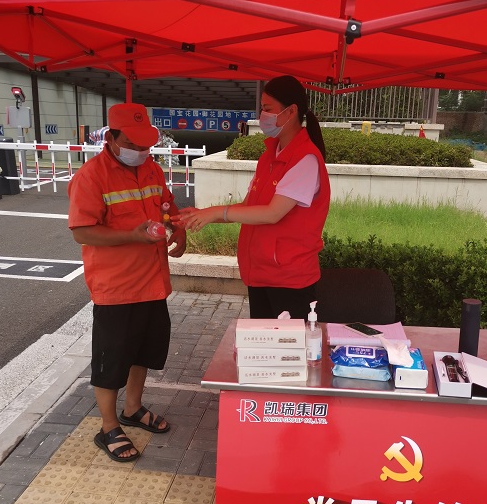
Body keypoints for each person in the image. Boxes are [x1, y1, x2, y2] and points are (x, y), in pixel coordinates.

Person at [68, 103, 186, 462]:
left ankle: (132, 408)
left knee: (143, 352)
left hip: (152, 281)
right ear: (112, 138)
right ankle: (108, 427)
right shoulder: (92, 176)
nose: (140, 151)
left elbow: (166, 206)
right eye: (132, 144)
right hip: (116, 287)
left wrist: (179, 228)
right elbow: (82, 232)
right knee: (111, 361)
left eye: (145, 144)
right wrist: (132, 235)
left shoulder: (151, 169)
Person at [173, 75, 330, 320]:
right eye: (261, 109)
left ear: (291, 111)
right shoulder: (269, 157)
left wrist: (216, 212)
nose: (262, 115)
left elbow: (272, 213)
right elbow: (249, 207)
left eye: (268, 109)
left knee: (286, 345)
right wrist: (203, 214)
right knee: (262, 343)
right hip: (261, 273)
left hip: (290, 279)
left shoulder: (305, 159)